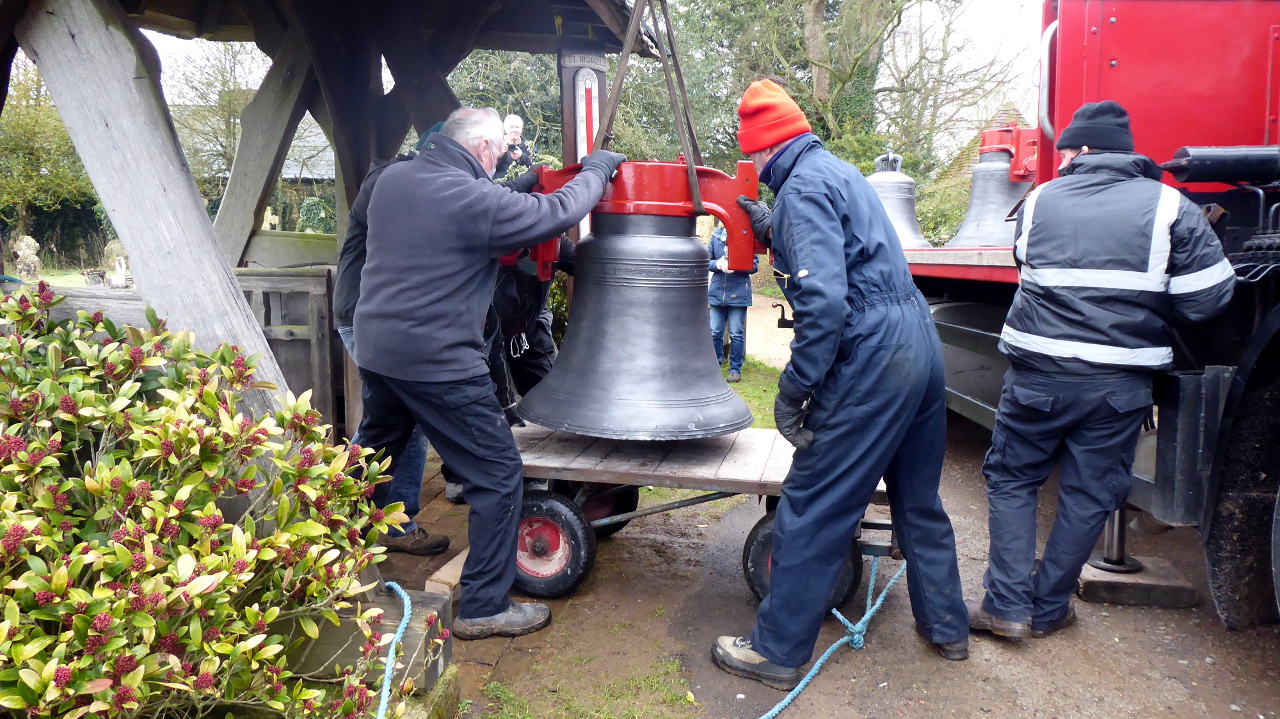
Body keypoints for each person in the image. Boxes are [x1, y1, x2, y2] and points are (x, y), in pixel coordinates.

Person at [711, 79, 969, 690]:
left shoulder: (801, 187)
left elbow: (825, 304)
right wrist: (777, 230)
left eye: (751, 159)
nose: (752, 170)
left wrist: (795, 389)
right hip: (919, 343)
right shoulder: (837, 173)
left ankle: (775, 650)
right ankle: (947, 627)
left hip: (875, 354)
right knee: (918, 501)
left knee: (815, 502)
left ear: (764, 149)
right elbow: (856, 254)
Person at [353, 106, 625, 639]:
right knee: (498, 475)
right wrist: (595, 170)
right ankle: (483, 606)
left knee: (372, 457)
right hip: (438, 362)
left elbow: (470, 203)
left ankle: (330, 557)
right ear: (481, 148)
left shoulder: (392, 181)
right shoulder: (470, 199)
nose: (501, 160)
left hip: (380, 351)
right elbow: (554, 214)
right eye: (498, 152)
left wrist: (521, 181)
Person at [968, 101, 1235, 640]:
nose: (1061, 157)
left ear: (1086, 148)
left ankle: (1006, 607)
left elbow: (1026, 264)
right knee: (1089, 495)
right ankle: (1047, 611)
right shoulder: (1170, 207)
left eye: (1067, 148)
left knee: (1014, 481)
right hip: (1118, 386)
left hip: (1037, 379)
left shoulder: (1039, 199)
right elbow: (1210, 300)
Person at [332, 130, 446, 556]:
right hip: (364, 318)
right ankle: (384, 523)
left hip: (371, 317)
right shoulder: (388, 182)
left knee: (392, 419)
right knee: (395, 419)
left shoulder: (398, 180)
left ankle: (352, 513)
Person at [707, 221, 758, 382]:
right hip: (717, 293)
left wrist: (736, 264)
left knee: (736, 333)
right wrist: (718, 264)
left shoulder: (746, 237)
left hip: (738, 292)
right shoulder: (715, 237)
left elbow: (754, 265)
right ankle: (715, 364)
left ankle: (735, 369)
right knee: (715, 331)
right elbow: (706, 261)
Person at [495, 113, 533, 178]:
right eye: (511, 127)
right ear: (505, 129)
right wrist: (499, 154)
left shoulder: (529, 147)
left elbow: (536, 167)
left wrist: (522, 156)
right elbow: (486, 166)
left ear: (521, 129)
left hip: (522, 185)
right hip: (500, 185)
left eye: (517, 127)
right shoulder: (496, 144)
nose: (514, 130)